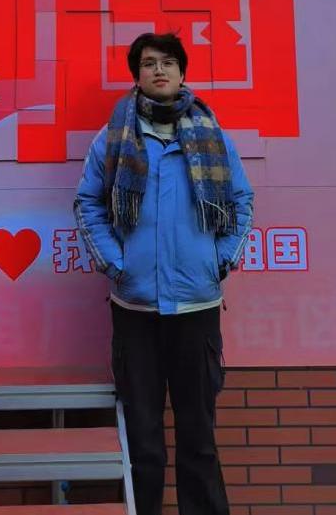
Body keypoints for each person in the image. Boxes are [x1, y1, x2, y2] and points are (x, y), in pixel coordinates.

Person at [74, 32, 253, 515]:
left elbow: (241, 200)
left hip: (197, 306)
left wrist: (221, 259)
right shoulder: (113, 138)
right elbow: (88, 202)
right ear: (137, 75)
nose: (159, 70)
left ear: (181, 73)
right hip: (135, 309)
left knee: (199, 438)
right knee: (144, 440)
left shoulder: (213, 136)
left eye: (168, 62)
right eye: (149, 63)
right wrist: (116, 264)